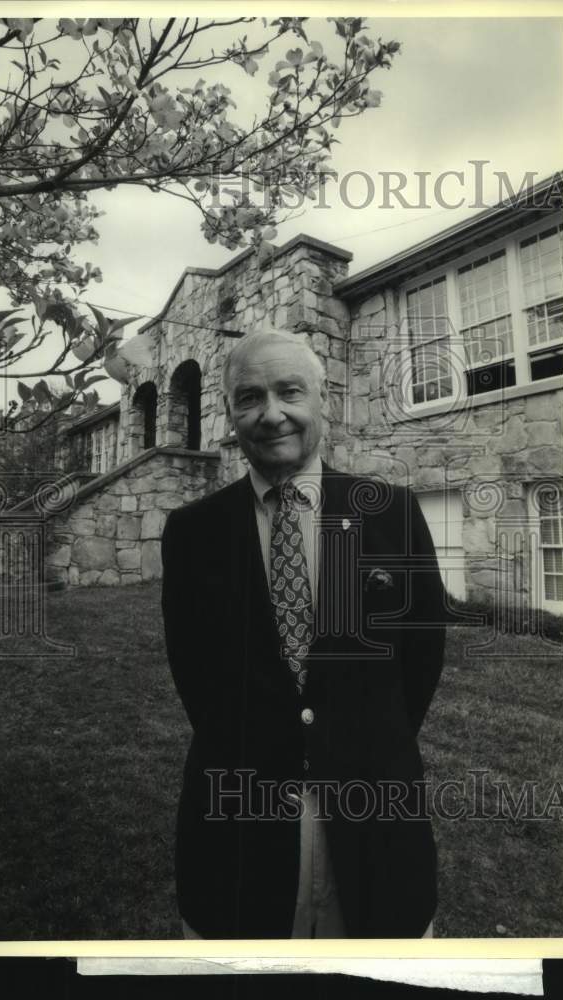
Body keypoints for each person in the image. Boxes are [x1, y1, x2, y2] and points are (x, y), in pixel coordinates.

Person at [161, 329, 446, 939]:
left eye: (290, 391)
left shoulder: (389, 514)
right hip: (236, 834)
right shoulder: (193, 532)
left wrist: (360, 739)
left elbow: (421, 662)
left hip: (377, 830)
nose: (272, 413)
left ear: (323, 401)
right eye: (249, 397)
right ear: (230, 415)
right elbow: (194, 675)